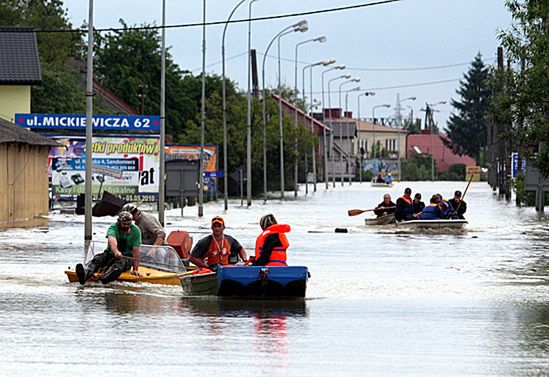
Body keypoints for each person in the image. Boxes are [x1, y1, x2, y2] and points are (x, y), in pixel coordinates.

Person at [75, 211, 142, 285]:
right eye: (124, 224)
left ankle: (107, 277)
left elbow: (136, 251)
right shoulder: (113, 227)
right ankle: (84, 274)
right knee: (97, 259)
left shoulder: (136, 231)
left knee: (120, 263)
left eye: (128, 224)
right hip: (110, 253)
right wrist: (116, 251)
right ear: (119, 222)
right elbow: (112, 240)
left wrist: (135, 269)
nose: (126, 226)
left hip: (126, 258)